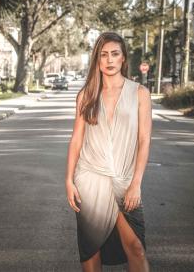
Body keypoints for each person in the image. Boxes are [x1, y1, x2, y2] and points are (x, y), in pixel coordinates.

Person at [65, 32, 152, 272]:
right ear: (97, 60)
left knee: (135, 246)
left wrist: (136, 183)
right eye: (103, 55)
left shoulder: (139, 93)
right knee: (91, 249)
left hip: (124, 180)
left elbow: (144, 140)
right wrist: (69, 181)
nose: (109, 60)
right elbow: (76, 140)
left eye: (115, 54)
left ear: (124, 58)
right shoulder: (87, 95)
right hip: (89, 178)